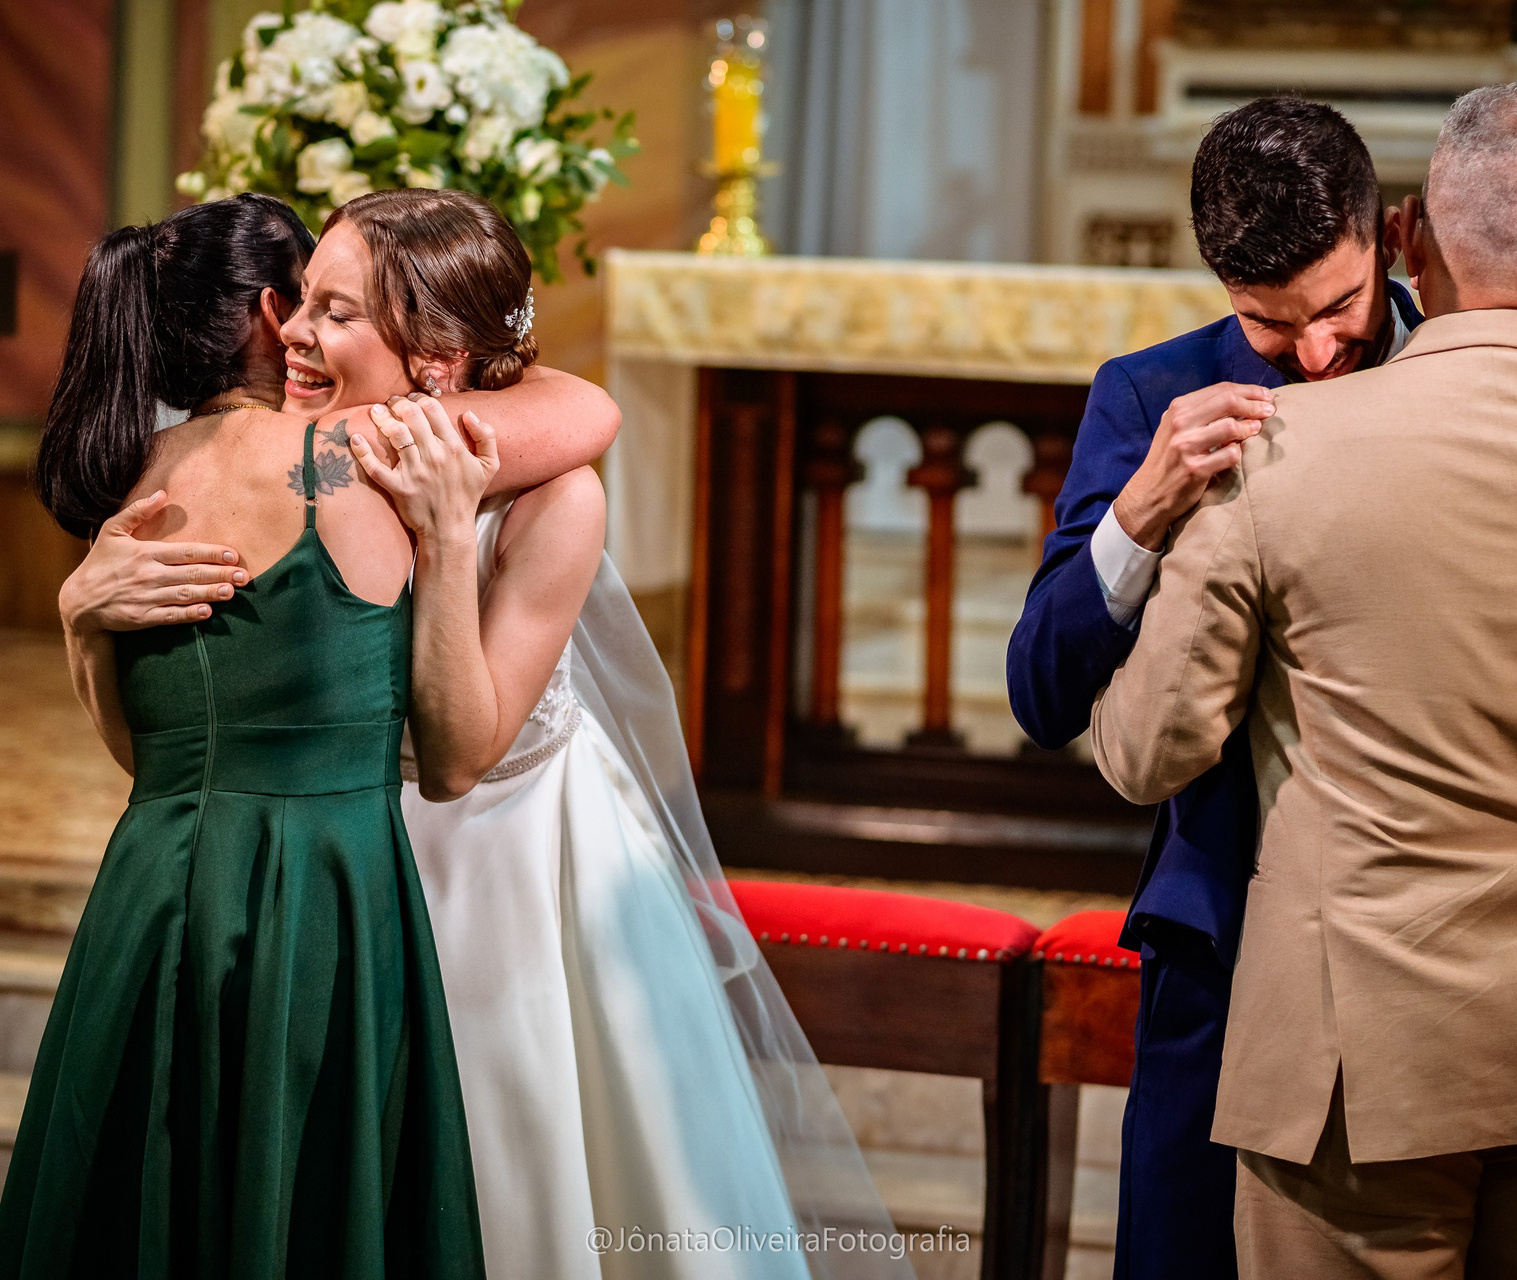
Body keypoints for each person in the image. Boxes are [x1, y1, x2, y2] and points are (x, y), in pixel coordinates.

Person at [76, 188, 911, 1280]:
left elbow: (459, 753)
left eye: (334, 311)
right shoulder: (309, 469)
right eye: (300, 302)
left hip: (509, 871)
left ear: (435, 361)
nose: (292, 333)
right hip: (344, 862)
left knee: (509, 1176)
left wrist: (443, 533)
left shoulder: (551, 501)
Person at [1004, 97, 1517, 1279]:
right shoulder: (1150, 398)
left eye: (1339, 306)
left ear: (1394, 235)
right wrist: (1140, 512)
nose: (1316, 354)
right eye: (1267, 321)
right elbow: (1042, 694)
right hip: (1236, 938)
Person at [0, 194, 498, 1275]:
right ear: (275, 313)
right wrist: (450, 532)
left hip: (148, 888)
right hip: (321, 891)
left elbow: (144, 757)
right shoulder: (352, 455)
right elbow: (455, 761)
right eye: (310, 299)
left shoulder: (131, 478)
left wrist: (78, 619)